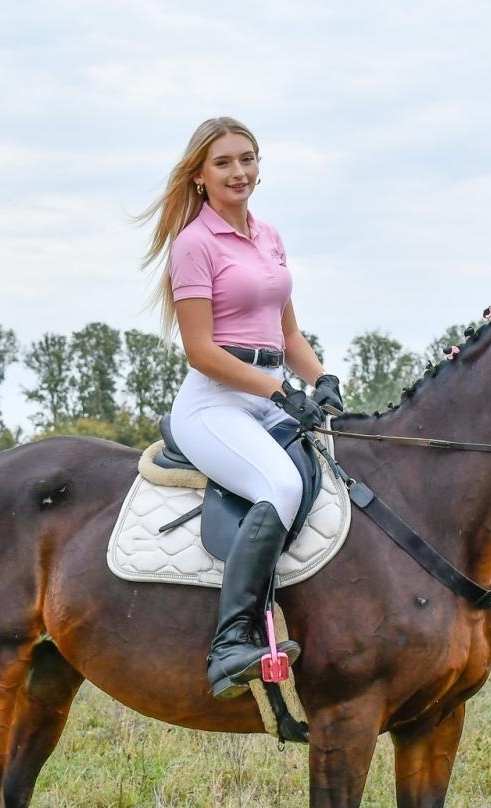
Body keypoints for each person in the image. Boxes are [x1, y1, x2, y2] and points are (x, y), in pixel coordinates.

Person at [138, 116, 344, 700]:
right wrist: (275, 390)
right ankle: (232, 644)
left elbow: (290, 336)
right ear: (200, 176)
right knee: (279, 486)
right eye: (224, 162)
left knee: (343, 471)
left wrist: (321, 378)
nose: (240, 171)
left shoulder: (269, 236)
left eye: (248, 158)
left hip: (268, 392)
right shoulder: (194, 244)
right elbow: (201, 351)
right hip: (215, 404)